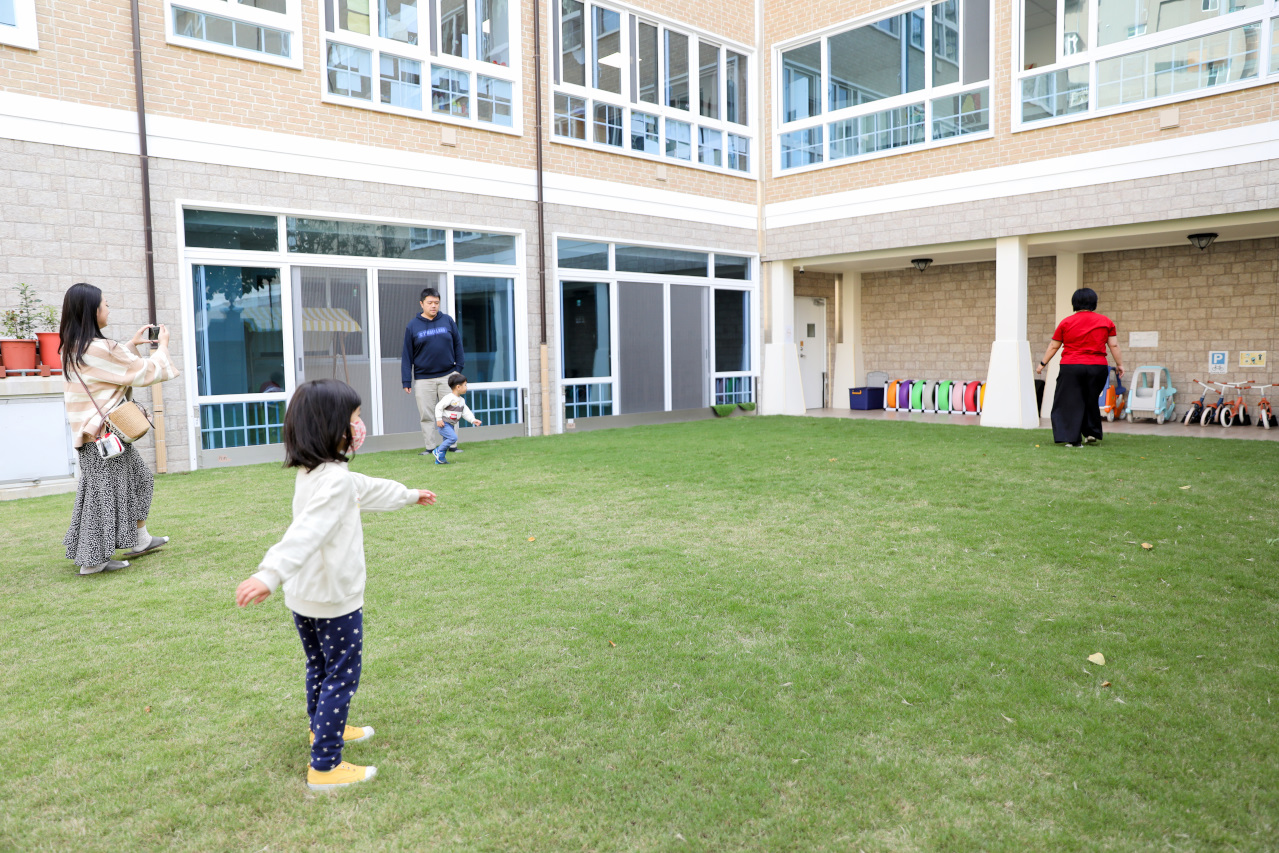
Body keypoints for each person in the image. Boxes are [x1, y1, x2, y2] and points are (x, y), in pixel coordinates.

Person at [235, 379, 437, 792]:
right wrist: (268, 573)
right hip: (334, 600)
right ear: (332, 427)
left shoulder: (320, 473)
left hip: (306, 598)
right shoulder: (334, 480)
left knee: (321, 668)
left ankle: (323, 729)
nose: (360, 426)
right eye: (355, 419)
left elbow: (368, 489)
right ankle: (325, 766)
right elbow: (305, 533)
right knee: (341, 676)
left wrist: (409, 494)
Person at [60, 283, 178, 576]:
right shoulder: (99, 348)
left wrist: (130, 345)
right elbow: (144, 372)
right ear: (92, 311)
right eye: (105, 303)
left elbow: (109, 368)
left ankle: (139, 539)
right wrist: (162, 346)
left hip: (96, 437)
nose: (108, 308)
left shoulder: (74, 347)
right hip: (102, 437)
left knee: (138, 480)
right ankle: (92, 561)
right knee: (103, 495)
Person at [1036, 287, 1124, 447]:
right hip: (1097, 368)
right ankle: (1091, 432)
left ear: (1074, 303)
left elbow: (1053, 346)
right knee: (1090, 399)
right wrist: (1120, 365)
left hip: (1072, 366)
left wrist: (1042, 364)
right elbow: (1114, 345)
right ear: (1094, 303)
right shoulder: (1106, 322)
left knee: (1070, 402)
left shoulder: (1066, 322)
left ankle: (1073, 440)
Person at [401, 288, 464, 457]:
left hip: (448, 376)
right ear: (422, 304)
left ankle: (453, 445)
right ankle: (430, 447)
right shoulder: (413, 326)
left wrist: (458, 370)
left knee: (451, 412)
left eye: (436, 303)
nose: (433, 306)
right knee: (427, 415)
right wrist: (406, 380)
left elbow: (458, 345)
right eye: (430, 303)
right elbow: (407, 355)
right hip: (423, 379)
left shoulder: (448, 321)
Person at [432, 372, 482, 464]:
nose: (466, 387)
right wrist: (438, 419)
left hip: (451, 425)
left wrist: (473, 420)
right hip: (444, 423)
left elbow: (466, 412)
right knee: (453, 438)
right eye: (465, 385)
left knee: (447, 442)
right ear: (458, 387)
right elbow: (439, 407)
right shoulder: (449, 398)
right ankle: (437, 451)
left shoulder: (461, 400)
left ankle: (440, 459)